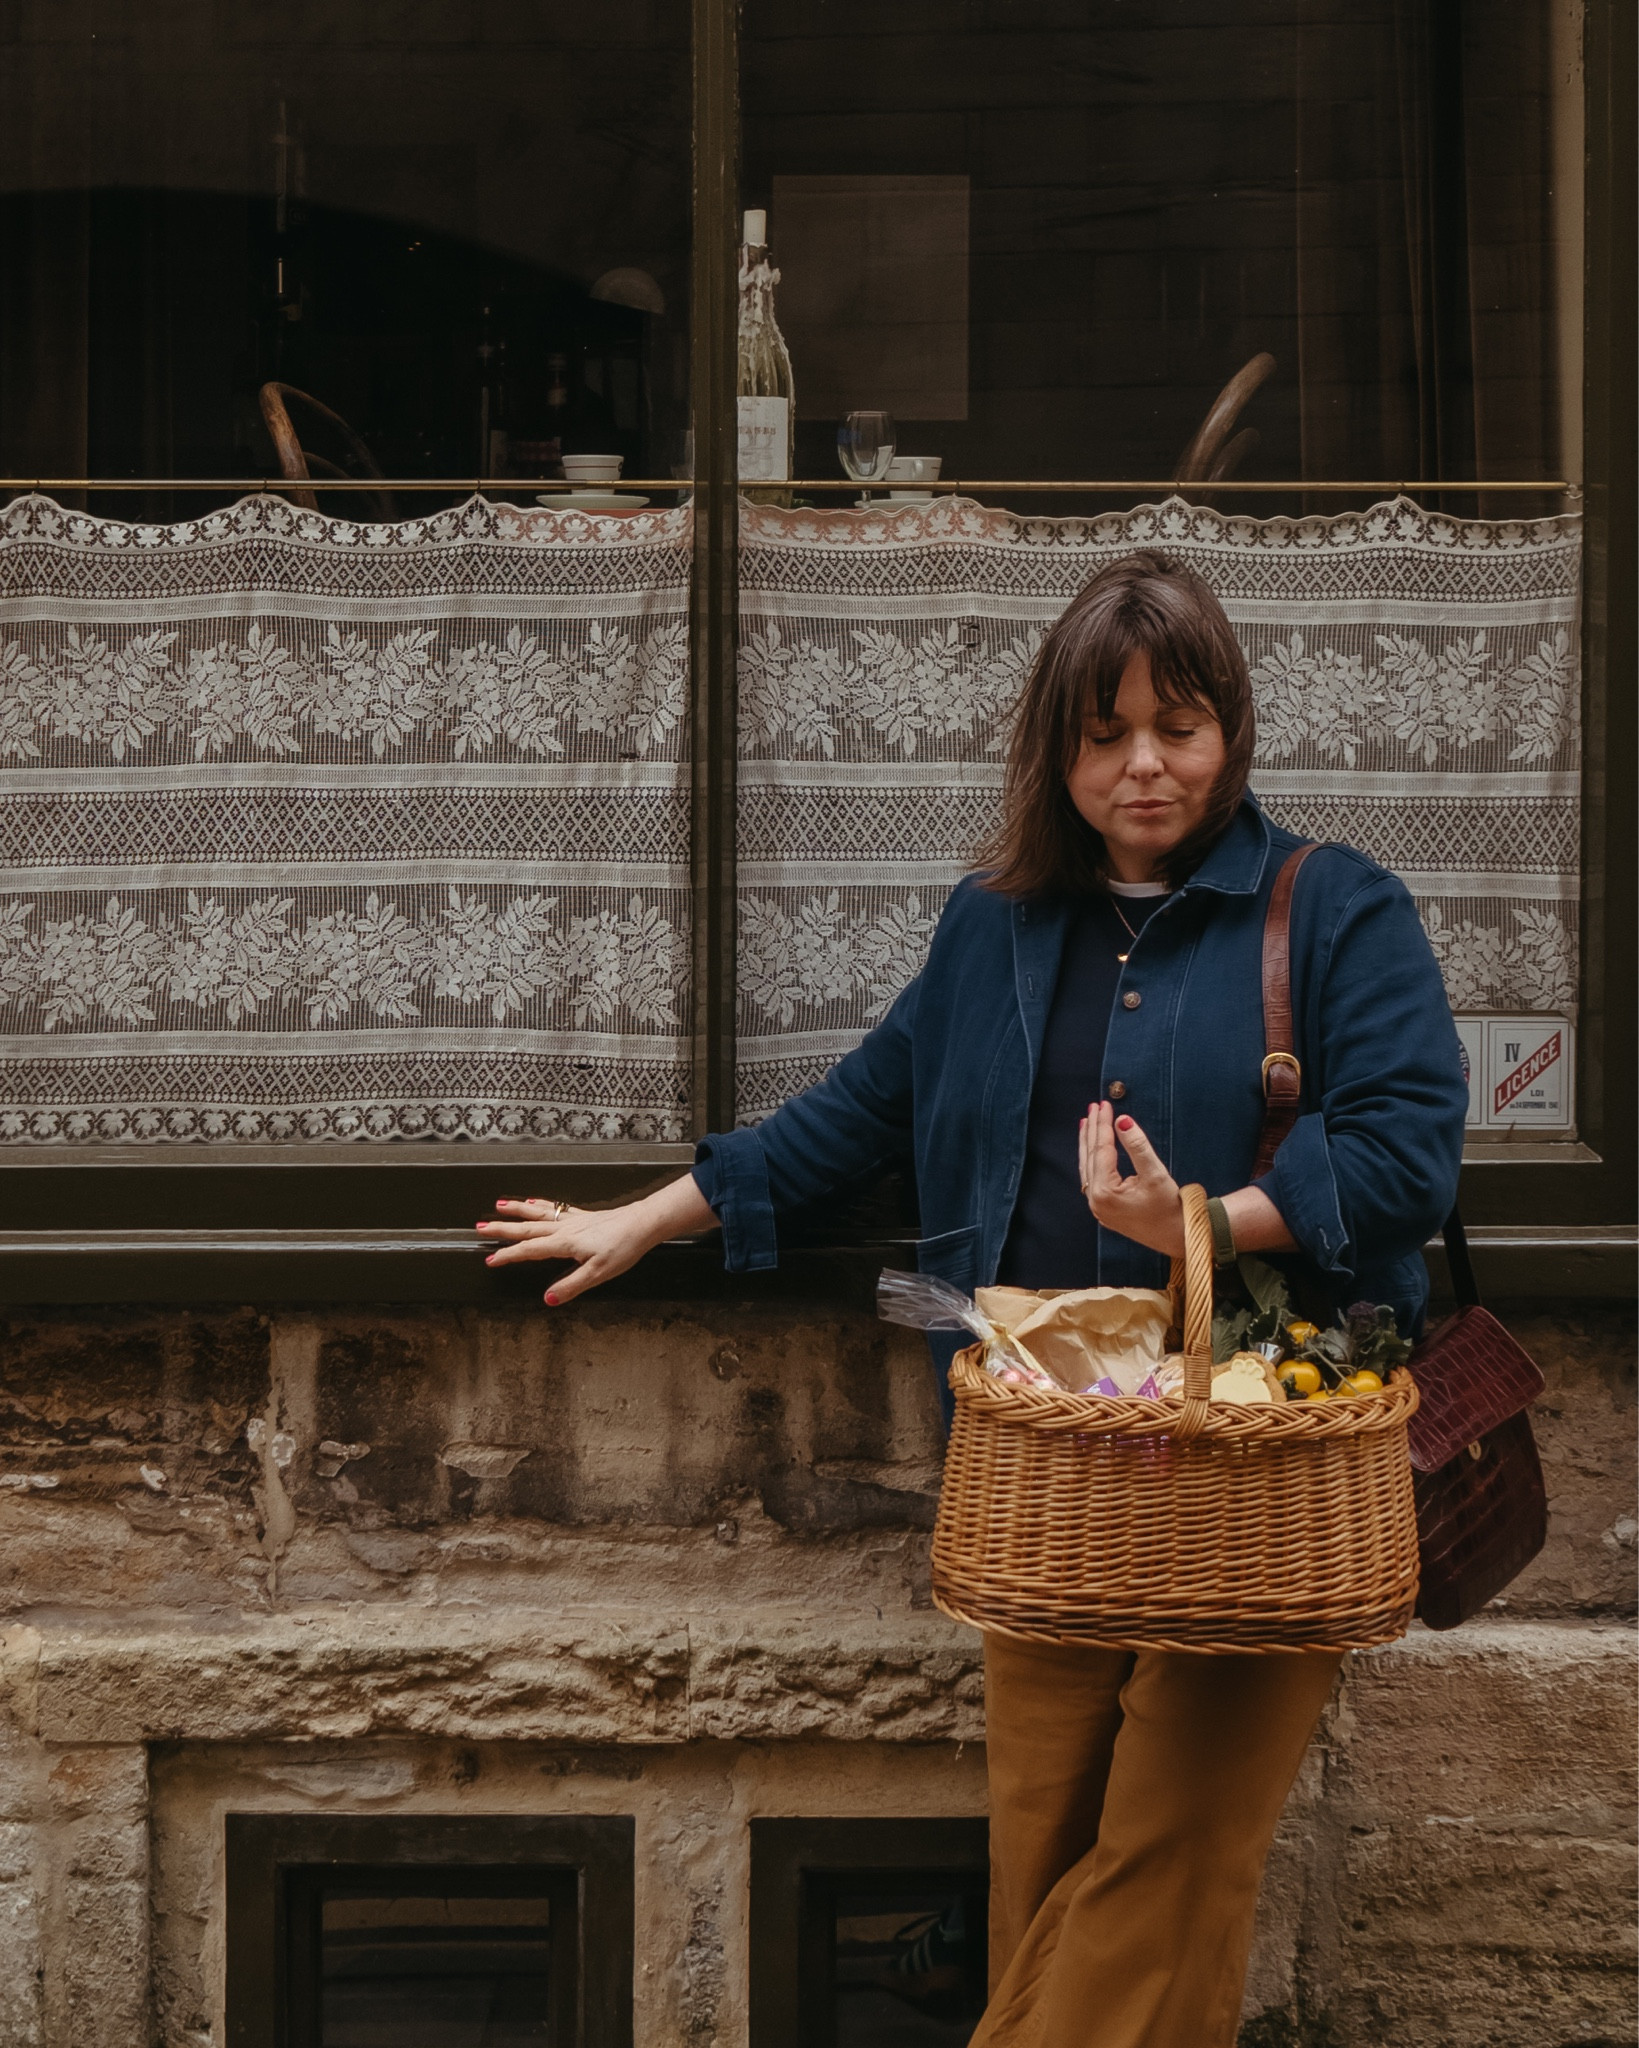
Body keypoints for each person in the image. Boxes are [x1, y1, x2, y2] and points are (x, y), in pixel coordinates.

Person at [477, 550, 1469, 2048]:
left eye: (1178, 729)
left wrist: (1193, 1220)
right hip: (1043, 1465)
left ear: (1230, 732)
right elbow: (862, 1113)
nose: (1143, 766)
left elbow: (1403, 1157)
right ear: (1058, 749)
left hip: (1253, 1461)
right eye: (1105, 734)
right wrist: (648, 1218)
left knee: (1170, 1863)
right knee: (1047, 1875)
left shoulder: (1333, 911)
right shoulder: (994, 926)